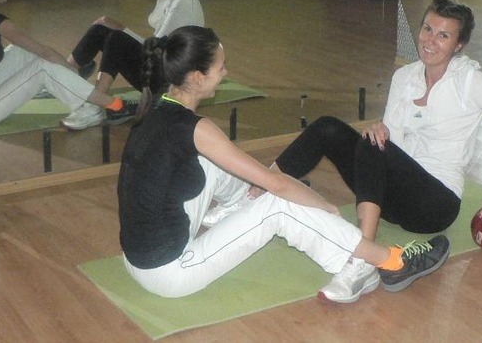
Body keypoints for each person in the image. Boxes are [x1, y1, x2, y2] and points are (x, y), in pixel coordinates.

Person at [205, 0, 482, 286]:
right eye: (427, 29)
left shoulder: (471, 82)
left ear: (459, 44)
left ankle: (362, 257)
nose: (430, 41)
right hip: (391, 197)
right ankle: (255, 193)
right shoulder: (404, 76)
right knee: (329, 128)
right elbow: (389, 141)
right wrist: (381, 131)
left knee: (371, 142)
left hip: (434, 204)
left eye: (443, 35)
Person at [117, 25, 450, 304]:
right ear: (197, 77)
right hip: (169, 271)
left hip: (138, 257)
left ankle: (241, 203)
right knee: (278, 206)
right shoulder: (195, 128)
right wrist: (322, 205)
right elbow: (276, 184)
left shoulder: (156, 109)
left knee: (212, 163)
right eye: (220, 68)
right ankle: (391, 261)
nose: (226, 73)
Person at [61, 0, 204, 130]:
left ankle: (94, 105)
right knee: (100, 30)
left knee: (117, 39)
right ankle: (63, 74)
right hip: (163, 65)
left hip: (174, 84)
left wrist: (122, 29)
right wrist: (118, 28)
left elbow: (154, 48)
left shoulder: (184, 3)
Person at [0, 0, 135, 128]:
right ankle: (111, 105)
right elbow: (45, 53)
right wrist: (71, 71)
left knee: (22, 51)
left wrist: (68, 73)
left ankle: (57, 84)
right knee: (44, 68)